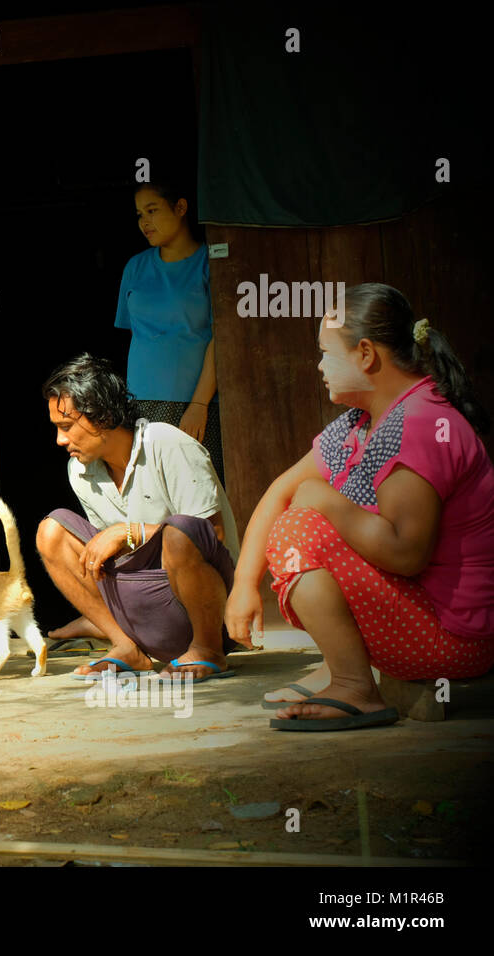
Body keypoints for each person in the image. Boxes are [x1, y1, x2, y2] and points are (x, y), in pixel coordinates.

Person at [225, 284, 494, 730]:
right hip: (420, 619)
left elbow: (407, 554)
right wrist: (243, 585)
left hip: (455, 639)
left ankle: (353, 685)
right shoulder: (362, 424)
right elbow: (279, 491)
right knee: (296, 514)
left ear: (366, 354)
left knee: (300, 530)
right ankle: (342, 671)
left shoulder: (425, 423)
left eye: (325, 352)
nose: (318, 366)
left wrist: (327, 502)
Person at [34, 354, 243, 680]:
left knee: (180, 530)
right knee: (50, 531)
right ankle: (126, 646)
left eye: (66, 426)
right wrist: (121, 537)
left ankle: (208, 650)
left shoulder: (166, 443)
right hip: (143, 611)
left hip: (207, 615)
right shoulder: (79, 470)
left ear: (100, 416)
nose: (60, 440)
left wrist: (131, 532)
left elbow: (212, 536)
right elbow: (110, 558)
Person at [114, 179, 225, 484]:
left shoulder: (209, 263)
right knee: (152, 497)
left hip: (194, 404)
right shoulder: (134, 268)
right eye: (139, 215)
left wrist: (199, 404)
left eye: (152, 210)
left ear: (180, 208)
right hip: (139, 404)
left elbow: (223, 338)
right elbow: (136, 335)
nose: (144, 222)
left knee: (198, 496)